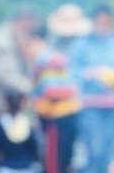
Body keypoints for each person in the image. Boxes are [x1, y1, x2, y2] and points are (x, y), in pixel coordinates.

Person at [68, 5, 114, 173]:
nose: (103, 24)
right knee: (92, 151)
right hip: (90, 105)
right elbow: (71, 71)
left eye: (107, 21)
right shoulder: (82, 44)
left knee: (110, 152)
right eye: (100, 21)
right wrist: (91, 73)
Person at [26, 26, 82, 173]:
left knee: (54, 165)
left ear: (35, 41)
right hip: (69, 115)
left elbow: (53, 91)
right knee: (63, 162)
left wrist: (36, 100)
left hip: (57, 119)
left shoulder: (45, 60)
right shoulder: (55, 56)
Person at [0, 6, 39, 116]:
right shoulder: (1, 40)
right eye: (29, 26)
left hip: (15, 99)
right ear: (22, 22)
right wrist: (34, 90)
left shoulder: (15, 35)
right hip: (3, 101)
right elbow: (6, 76)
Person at [0, 89, 40, 173]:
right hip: (27, 167)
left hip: (6, 167)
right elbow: (34, 146)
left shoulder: (0, 124)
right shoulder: (28, 123)